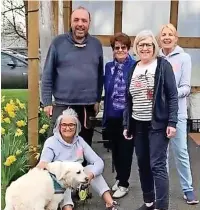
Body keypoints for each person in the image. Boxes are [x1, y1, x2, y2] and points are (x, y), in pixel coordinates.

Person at [123, 30, 178, 210]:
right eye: (141, 44)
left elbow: (172, 95)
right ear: (136, 48)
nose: (145, 48)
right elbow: (128, 99)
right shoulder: (133, 67)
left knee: (157, 165)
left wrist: (172, 122)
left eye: (148, 44)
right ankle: (149, 202)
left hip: (158, 125)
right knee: (143, 164)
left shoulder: (162, 65)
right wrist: (127, 124)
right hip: (138, 124)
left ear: (154, 46)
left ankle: (162, 207)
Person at [41, 6, 104, 146]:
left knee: (83, 145)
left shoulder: (96, 45)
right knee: (59, 146)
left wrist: (97, 99)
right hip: (63, 104)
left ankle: (81, 168)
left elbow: (100, 75)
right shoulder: (58, 43)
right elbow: (47, 74)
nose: (80, 24)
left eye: (84, 20)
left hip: (87, 106)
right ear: (70, 22)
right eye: (76, 20)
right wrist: (46, 102)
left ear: (89, 23)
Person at [37, 108, 123, 210]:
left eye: (71, 125)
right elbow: (44, 163)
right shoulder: (51, 142)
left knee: (92, 169)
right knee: (66, 175)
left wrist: (91, 175)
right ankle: (67, 207)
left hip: (79, 180)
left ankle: (110, 204)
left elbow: (98, 162)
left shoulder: (79, 141)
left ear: (76, 127)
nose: (67, 128)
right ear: (59, 126)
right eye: (64, 124)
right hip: (59, 184)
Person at [158, 23, 199, 205]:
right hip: (158, 114)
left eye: (170, 34)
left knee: (181, 151)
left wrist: (170, 92)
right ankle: (163, 188)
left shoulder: (184, 58)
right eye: (164, 34)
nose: (167, 37)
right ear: (160, 38)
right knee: (162, 154)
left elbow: (186, 88)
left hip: (178, 113)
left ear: (176, 38)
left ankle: (188, 188)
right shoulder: (156, 57)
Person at [102, 32, 135, 198]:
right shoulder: (109, 67)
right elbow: (107, 91)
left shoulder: (135, 66)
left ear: (128, 48)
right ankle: (119, 177)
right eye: (117, 48)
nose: (120, 50)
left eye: (123, 47)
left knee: (125, 150)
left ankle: (124, 183)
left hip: (127, 117)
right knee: (114, 149)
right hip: (112, 114)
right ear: (113, 50)